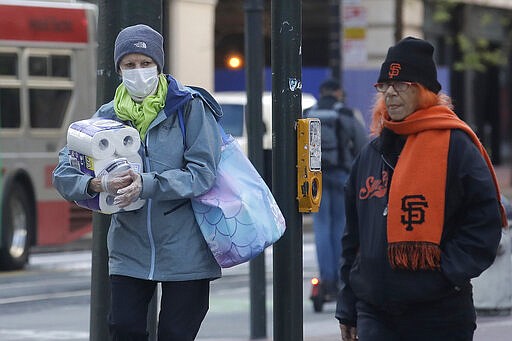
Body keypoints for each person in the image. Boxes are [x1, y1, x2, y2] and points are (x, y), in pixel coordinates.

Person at [53, 24, 223, 341]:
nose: (138, 72)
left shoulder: (189, 108)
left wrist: (145, 184)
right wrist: (97, 185)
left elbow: (203, 175)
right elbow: (63, 173)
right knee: (124, 329)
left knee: (175, 333)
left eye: (145, 63)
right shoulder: (105, 117)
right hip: (129, 249)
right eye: (129, 65)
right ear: (119, 69)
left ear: (159, 65)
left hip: (186, 249)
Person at [335, 36, 507, 341]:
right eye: (385, 85)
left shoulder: (457, 146)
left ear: (425, 92)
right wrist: (348, 305)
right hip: (375, 312)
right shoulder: (371, 154)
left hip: (439, 314)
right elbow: (353, 238)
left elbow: (485, 221)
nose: (390, 93)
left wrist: (446, 273)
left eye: (402, 85)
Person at [305, 78, 368, 300]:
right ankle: (343, 279)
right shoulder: (346, 114)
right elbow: (362, 145)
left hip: (315, 177)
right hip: (342, 174)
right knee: (342, 227)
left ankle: (327, 280)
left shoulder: (309, 112)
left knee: (322, 228)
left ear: (322, 92)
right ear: (339, 92)